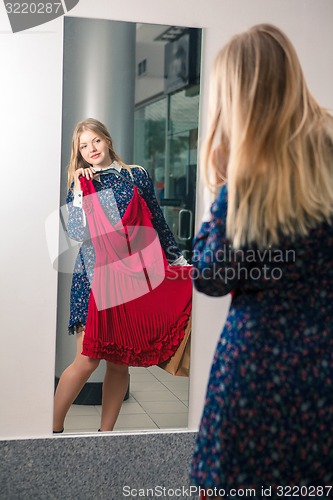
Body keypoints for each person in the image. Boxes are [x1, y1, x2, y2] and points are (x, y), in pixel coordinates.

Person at [189, 24, 333, 498]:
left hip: (254, 375)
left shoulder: (249, 182)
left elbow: (209, 275)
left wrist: (221, 193)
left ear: (238, 99)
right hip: (322, 378)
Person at [53, 118, 190, 433]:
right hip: (92, 278)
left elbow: (157, 222)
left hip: (130, 277)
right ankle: (52, 431)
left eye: (95, 141)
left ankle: (107, 436)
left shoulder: (136, 175)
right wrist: (77, 190)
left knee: (118, 362)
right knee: (87, 359)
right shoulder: (82, 183)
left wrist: (180, 263)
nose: (91, 150)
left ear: (107, 139)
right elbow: (75, 232)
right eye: (83, 146)